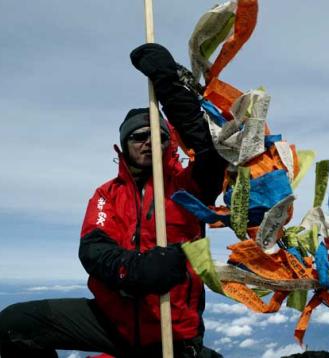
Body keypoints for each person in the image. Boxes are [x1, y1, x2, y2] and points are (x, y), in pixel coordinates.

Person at [0, 43, 227, 358]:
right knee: (14, 324)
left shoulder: (189, 186)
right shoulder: (107, 194)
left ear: (168, 142)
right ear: (124, 143)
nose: (148, 142)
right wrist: (134, 270)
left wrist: (168, 86)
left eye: (157, 136)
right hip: (111, 322)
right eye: (139, 136)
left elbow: (209, 150)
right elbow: (93, 249)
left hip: (171, 331)